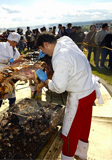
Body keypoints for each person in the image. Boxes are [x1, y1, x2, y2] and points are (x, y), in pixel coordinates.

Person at [35, 32, 103, 160]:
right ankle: (81, 153)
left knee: (69, 132)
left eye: (41, 49)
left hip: (80, 97)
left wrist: (45, 80)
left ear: (46, 44)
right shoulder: (65, 40)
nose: (43, 52)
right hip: (90, 90)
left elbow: (59, 87)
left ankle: (68, 157)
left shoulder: (59, 58)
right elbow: (63, 39)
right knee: (83, 126)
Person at [0, 32, 21, 124]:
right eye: (13, 42)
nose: (15, 44)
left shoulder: (15, 50)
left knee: (12, 98)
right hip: (0, 75)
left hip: (10, 77)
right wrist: (8, 59)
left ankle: (11, 115)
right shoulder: (1, 45)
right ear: (9, 40)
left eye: (16, 43)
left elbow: (19, 60)